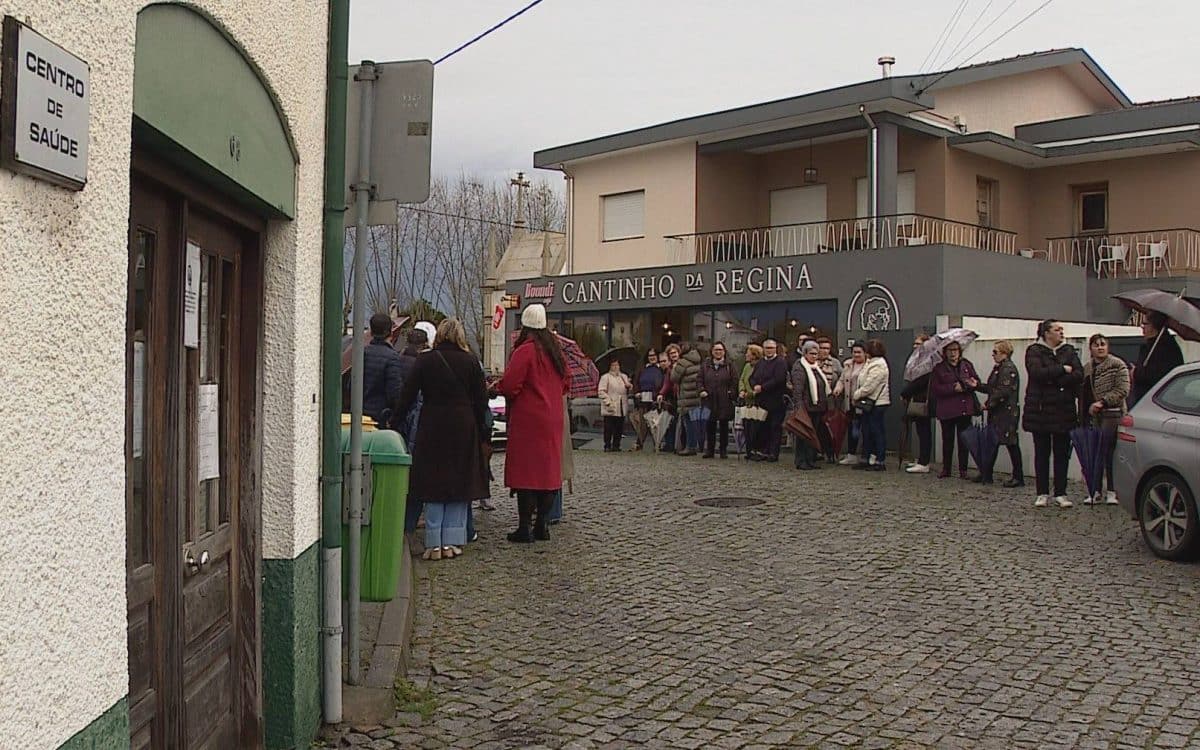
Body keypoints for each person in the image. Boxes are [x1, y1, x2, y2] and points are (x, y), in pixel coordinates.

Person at [397, 318, 490, 560]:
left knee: (433, 483)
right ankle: (452, 541)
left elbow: (407, 394)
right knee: (460, 484)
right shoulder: (470, 361)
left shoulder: (425, 360)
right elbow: (482, 401)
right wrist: (483, 432)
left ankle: (434, 542)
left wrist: (395, 420)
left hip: (432, 424)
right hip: (463, 426)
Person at [498, 304, 570, 543]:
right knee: (547, 473)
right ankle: (542, 526)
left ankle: (524, 527)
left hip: (529, 419)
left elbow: (509, 385)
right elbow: (566, 384)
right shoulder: (556, 352)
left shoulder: (525, 351)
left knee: (527, 474)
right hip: (553, 418)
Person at [1023, 319, 1084, 508]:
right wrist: (1061, 370)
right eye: (1057, 329)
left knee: (1061, 453)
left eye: (1061, 329)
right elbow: (1036, 373)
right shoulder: (1034, 351)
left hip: (1063, 410)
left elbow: (1078, 374)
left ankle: (1061, 492)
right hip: (1040, 411)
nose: (1061, 332)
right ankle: (1042, 492)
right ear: (1046, 333)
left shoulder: (1069, 351)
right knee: (1042, 453)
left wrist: (1056, 379)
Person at [1082, 334, 1130, 505]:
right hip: (1095, 416)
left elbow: (1122, 389)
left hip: (1113, 412)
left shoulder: (1117, 365)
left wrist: (1103, 402)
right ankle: (1095, 490)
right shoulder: (1088, 368)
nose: (1100, 347)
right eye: (1096, 345)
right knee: (1095, 453)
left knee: (1108, 451)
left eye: (1103, 344)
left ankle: (1111, 490)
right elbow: (1085, 392)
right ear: (1091, 348)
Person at [929, 340, 982, 479]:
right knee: (947, 440)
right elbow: (936, 389)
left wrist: (972, 384)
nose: (953, 353)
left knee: (964, 440)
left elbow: (976, 380)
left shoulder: (966, 365)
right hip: (947, 409)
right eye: (950, 350)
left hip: (964, 408)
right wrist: (952, 388)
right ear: (945, 353)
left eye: (956, 350)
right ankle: (946, 468)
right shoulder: (939, 369)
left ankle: (963, 469)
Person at [976, 340, 1024, 487]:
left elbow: (1003, 391)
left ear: (1004, 353)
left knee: (1011, 443)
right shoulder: (999, 368)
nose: (993, 355)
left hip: (1006, 413)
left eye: (995, 352)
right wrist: (977, 386)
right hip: (998, 412)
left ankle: (1018, 476)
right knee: (993, 442)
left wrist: (987, 405)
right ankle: (987, 473)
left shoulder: (1008, 369)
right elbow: (992, 388)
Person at [398, 327, 431, 535]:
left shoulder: (398, 359)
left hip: (397, 421)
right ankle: (410, 521)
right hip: (414, 422)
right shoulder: (421, 365)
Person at [852, 339, 891, 471]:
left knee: (877, 432)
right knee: (867, 431)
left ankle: (879, 460)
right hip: (869, 403)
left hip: (877, 403)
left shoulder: (878, 365)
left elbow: (870, 386)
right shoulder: (871, 363)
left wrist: (857, 394)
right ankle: (866, 458)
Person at [1130, 311, 1184, 406]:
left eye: (1145, 323)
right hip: (1144, 400)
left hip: (1157, 402)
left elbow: (1156, 376)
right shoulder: (1150, 345)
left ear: (1155, 326)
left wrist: (1135, 372)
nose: (1142, 326)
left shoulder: (1165, 348)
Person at [791, 341, 830, 470]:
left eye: (816, 354)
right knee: (803, 435)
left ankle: (810, 459)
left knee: (813, 435)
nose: (814, 356)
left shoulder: (816, 368)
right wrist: (799, 406)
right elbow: (798, 389)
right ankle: (801, 460)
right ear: (805, 353)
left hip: (817, 407)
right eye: (812, 354)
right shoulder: (800, 367)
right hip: (806, 406)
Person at [749, 338, 789, 462]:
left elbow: (779, 379)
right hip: (762, 401)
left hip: (776, 400)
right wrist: (754, 385)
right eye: (767, 348)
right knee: (763, 427)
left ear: (775, 349)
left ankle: (773, 453)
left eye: (771, 348)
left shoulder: (781, 362)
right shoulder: (760, 362)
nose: (769, 350)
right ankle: (763, 451)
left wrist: (762, 387)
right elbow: (752, 377)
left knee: (775, 427)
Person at [362, 312, 404, 428]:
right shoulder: (392, 357)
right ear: (390, 332)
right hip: (381, 417)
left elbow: (352, 385)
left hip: (360, 414)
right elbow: (394, 393)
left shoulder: (361, 354)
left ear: (371, 331)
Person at [901, 335, 934, 474]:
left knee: (924, 431)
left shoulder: (928, 362)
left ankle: (924, 462)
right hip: (915, 398)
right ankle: (921, 459)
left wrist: (906, 392)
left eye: (919, 344)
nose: (915, 346)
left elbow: (920, 381)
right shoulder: (917, 360)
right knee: (920, 431)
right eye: (914, 344)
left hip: (923, 399)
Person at [698, 341, 737, 459]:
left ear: (724, 352)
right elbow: (699, 379)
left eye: (720, 350)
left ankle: (723, 450)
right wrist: (701, 390)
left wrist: (731, 392)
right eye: (716, 350)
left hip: (724, 399)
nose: (718, 352)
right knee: (710, 425)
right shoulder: (706, 365)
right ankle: (710, 449)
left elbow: (735, 380)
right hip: (709, 399)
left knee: (724, 425)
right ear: (712, 352)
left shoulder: (730, 365)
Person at [835, 343, 868, 465]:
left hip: (863, 402)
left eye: (859, 352)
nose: (856, 355)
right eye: (854, 352)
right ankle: (851, 454)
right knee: (852, 430)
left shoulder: (868, 366)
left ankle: (866, 455)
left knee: (865, 430)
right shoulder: (848, 365)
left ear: (865, 353)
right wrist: (838, 388)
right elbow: (842, 380)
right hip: (850, 403)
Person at [671, 342, 705, 456]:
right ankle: (695, 445)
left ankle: (690, 447)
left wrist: (674, 367)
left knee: (688, 423)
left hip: (686, 396)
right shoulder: (698, 360)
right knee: (694, 423)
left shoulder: (682, 362)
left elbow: (674, 378)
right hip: (695, 396)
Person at [598, 359, 632, 452]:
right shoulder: (606, 377)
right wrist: (608, 401)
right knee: (609, 427)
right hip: (611, 404)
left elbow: (627, 390)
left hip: (621, 405)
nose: (615, 367)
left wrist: (628, 385)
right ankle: (607, 445)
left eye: (617, 365)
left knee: (619, 426)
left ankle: (616, 445)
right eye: (613, 365)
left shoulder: (623, 376)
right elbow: (601, 391)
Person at [631, 348, 662, 450]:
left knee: (655, 423)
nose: (652, 357)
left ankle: (657, 444)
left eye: (654, 355)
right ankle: (639, 442)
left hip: (655, 399)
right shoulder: (642, 369)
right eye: (650, 355)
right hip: (643, 399)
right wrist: (636, 393)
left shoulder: (661, 369)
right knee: (642, 423)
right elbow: (636, 382)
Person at [738, 344, 763, 460]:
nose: (746, 355)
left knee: (755, 428)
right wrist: (742, 390)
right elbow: (742, 379)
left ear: (754, 355)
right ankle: (748, 450)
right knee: (746, 427)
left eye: (748, 353)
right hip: (746, 402)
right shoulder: (747, 366)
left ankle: (755, 450)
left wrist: (752, 393)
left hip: (756, 401)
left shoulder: (761, 367)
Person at [657, 344, 682, 451]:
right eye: (671, 353)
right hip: (674, 397)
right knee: (672, 422)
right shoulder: (669, 369)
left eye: (675, 352)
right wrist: (661, 393)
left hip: (684, 396)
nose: (673, 355)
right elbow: (667, 383)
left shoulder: (683, 365)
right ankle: (671, 445)